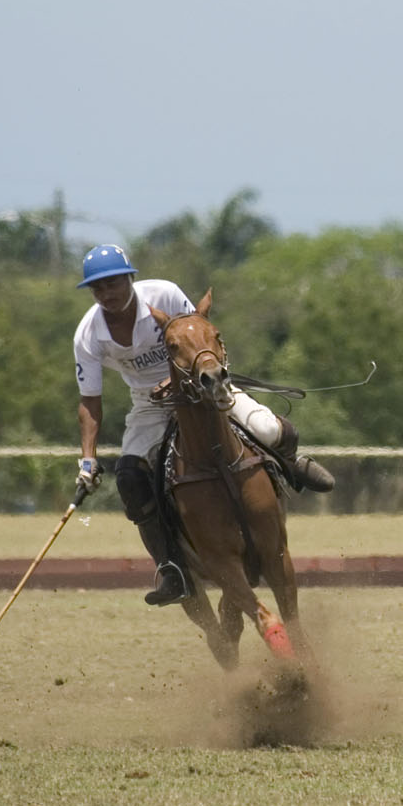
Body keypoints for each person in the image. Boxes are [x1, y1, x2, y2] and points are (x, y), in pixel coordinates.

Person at [69, 244, 335, 606]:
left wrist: (189, 379)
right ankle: (171, 568)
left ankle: (290, 465)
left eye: (113, 283)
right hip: (149, 405)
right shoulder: (88, 333)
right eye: (97, 288)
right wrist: (88, 459)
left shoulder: (164, 293)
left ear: (131, 278)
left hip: (202, 388)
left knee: (273, 430)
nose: (106, 294)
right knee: (131, 479)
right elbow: (90, 400)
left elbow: (203, 336)